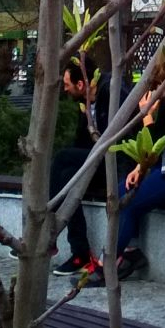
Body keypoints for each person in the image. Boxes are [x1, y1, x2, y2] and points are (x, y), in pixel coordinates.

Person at [95, 47, 165, 288]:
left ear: (156, 85)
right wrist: (138, 170)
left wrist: (146, 115)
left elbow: (154, 145)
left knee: (130, 202)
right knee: (122, 192)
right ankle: (130, 251)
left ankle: (106, 266)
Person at [51, 55, 105, 278]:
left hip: (112, 164)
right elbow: (80, 144)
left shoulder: (108, 93)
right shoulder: (84, 103)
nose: (65, 89)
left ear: (81, 84)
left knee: (62, 157)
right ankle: (80, 253)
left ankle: (48, 231)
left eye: (67, 85)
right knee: (66, 175)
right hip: (93, 162)